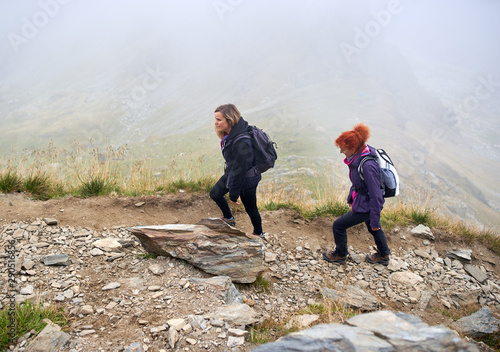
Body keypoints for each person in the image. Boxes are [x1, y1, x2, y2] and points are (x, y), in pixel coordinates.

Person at [322, 123, 391, 265]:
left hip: (367, 205)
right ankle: (383, 254)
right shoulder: (359, 158)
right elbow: (357, 184)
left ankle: (340, 255)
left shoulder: (367, 166)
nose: (341, 151)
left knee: (338, 226)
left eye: (343, 148)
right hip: (364, 202)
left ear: (353, 148)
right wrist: (351, 198)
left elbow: (376, 194)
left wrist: (375, 218)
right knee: (373, 228)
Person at [210, 103, 264, 238]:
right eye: (215, 119)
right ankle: (229, 218)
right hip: (234, 173)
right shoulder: (230, 134)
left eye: (219, 119)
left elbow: (239, 172)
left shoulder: (241, 142)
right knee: (215, 194)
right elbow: (235, 168)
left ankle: (259, 233)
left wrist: (233, 195)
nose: (215, 123)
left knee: (251, 209)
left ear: (229, 120)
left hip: (247, 179)